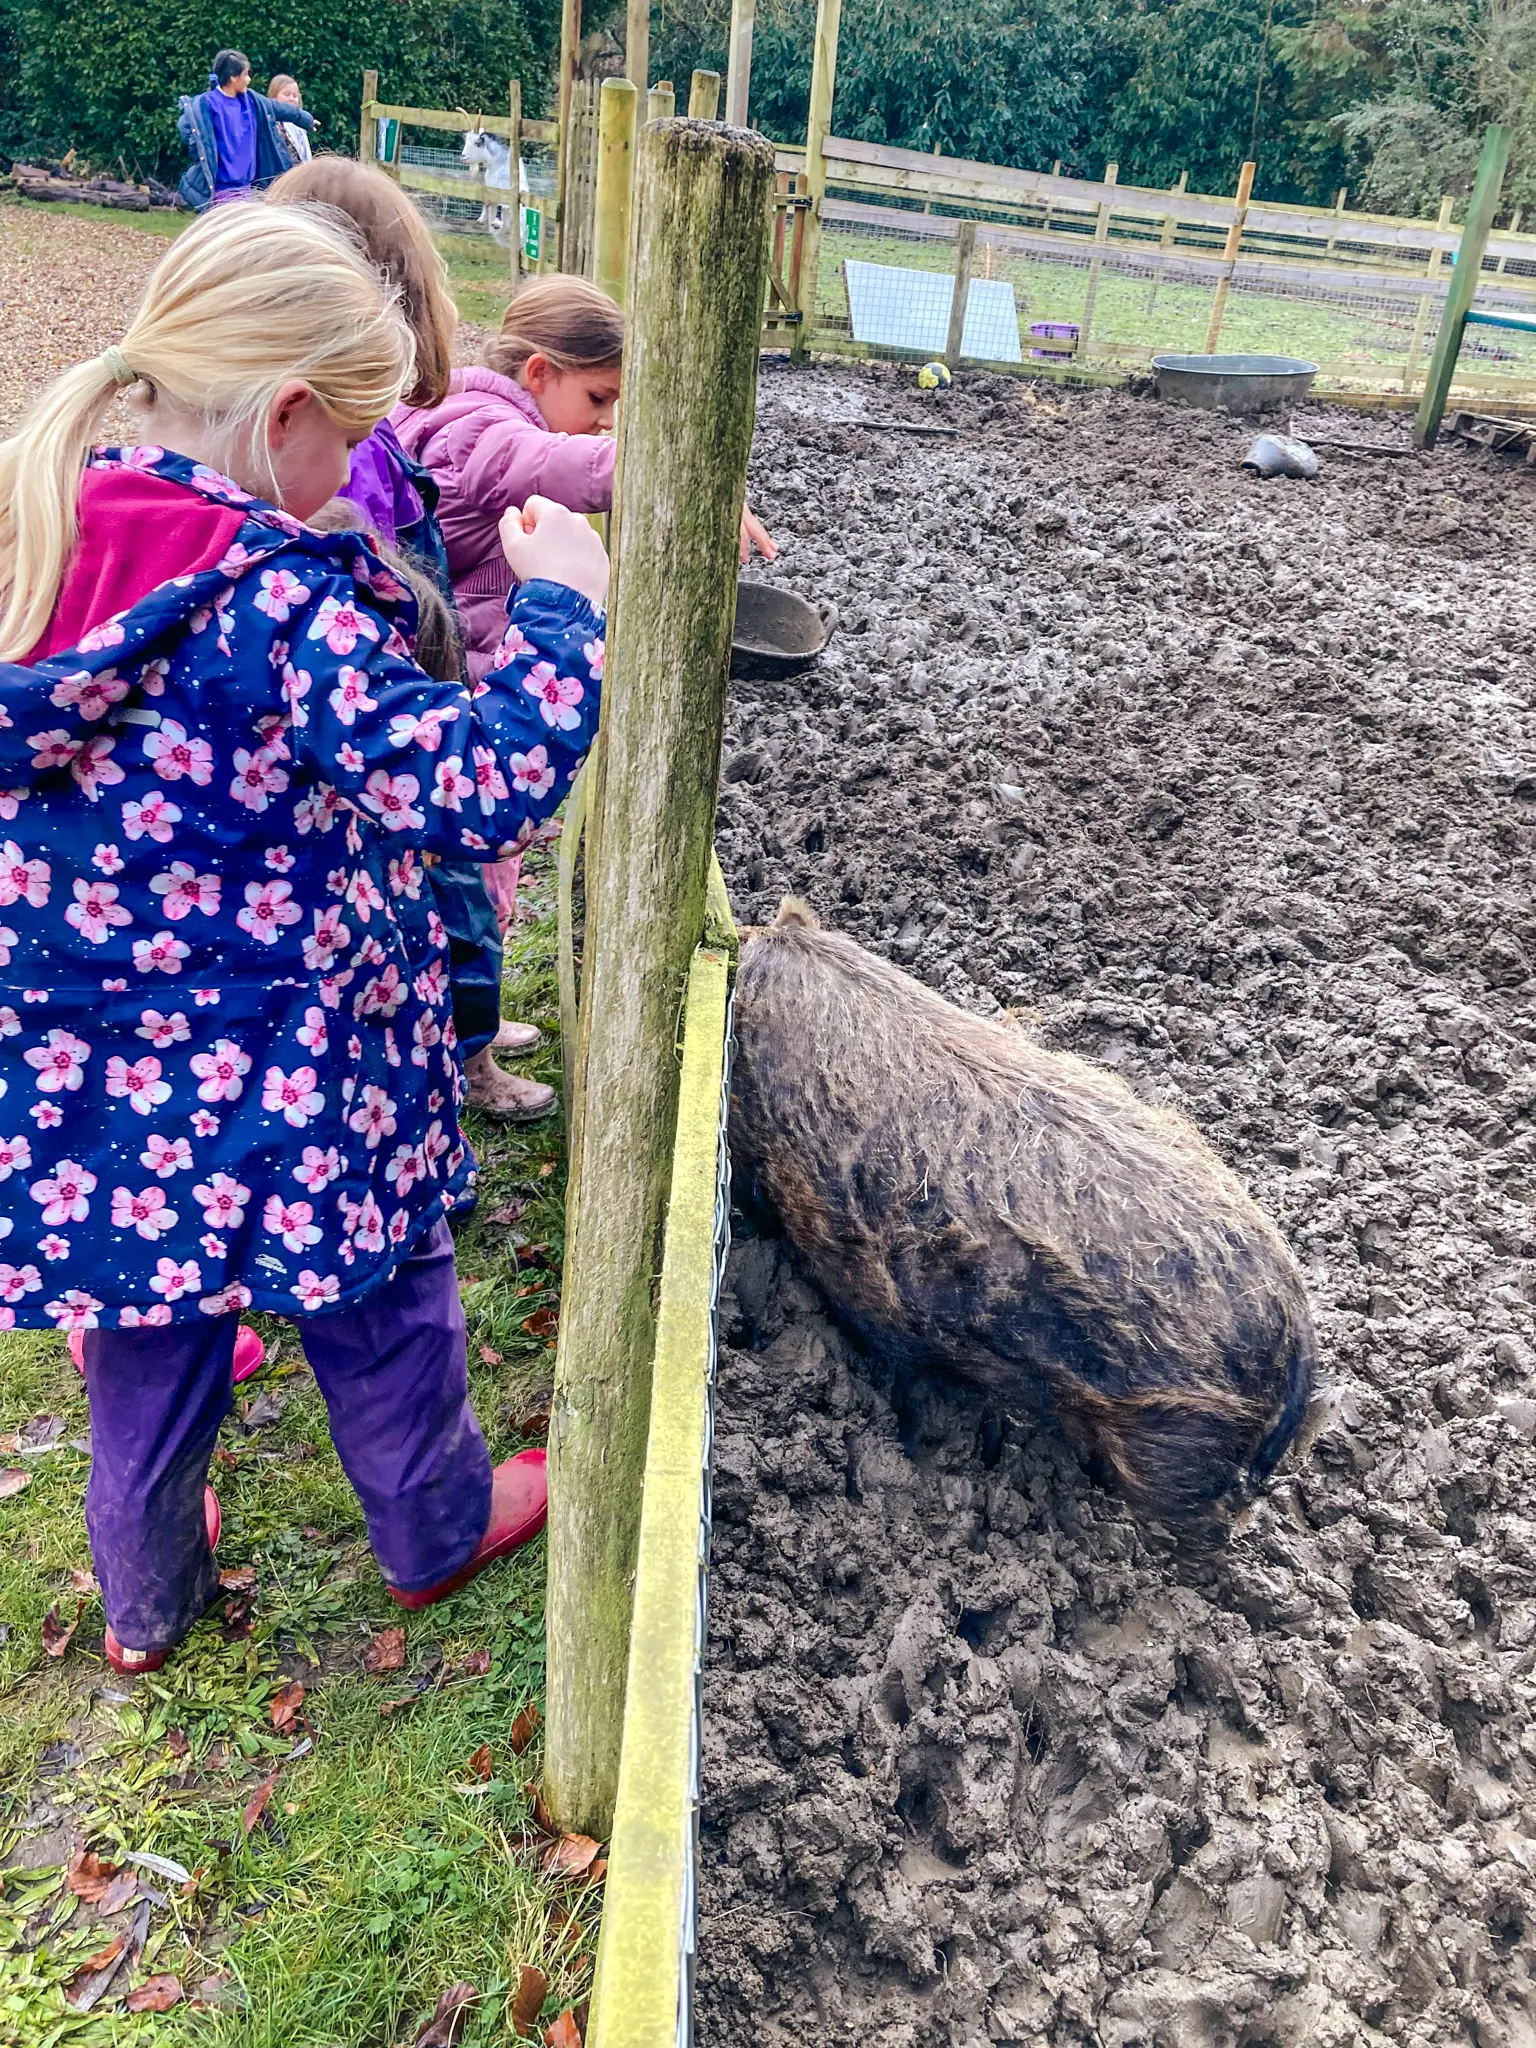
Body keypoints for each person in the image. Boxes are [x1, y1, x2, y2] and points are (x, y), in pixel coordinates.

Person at [0, 202, 608, 1673]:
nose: (357, 472)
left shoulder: (43, 537)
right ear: (284, 418)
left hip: (106, 1066)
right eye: (351, 434)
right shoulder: (274, 599)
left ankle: (146, 1601)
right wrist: (564, 616)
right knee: (386, 1298)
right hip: (308, 1053)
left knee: (147, 1328)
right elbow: (473, 784)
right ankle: (435, 1529)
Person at [267, 157, 550, 1122]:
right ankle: (462, 1061)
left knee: (445, 903)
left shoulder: (367, 444)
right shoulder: (334, 487)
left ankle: (465, 1034)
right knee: (449, 899)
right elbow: (480, 787)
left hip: (410, 713)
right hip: (402, 731)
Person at [176, 51, 317, 211]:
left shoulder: (252, 100)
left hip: (247, 187)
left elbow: (279, 108)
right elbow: (186, 125)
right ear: (233, 78)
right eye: (245, 74)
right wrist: (200, 152)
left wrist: (306, 119)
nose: (249, 79)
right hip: (223, 189)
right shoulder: (208, 103)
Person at [267, 74, 313, 165]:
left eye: (295, 96)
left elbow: (306, 156)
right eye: (286, 94)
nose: (291, 99)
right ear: (274, 97)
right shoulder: (269, 124)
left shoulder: (299, 126)